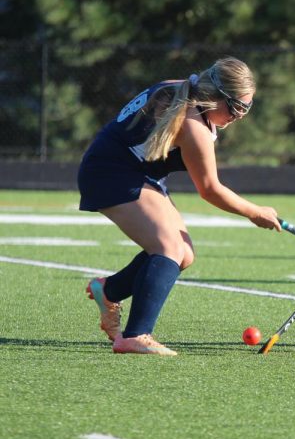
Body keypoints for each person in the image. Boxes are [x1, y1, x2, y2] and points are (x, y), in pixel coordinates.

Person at [79, 57, 281, 355]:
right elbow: (210, 190)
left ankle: (109, 290)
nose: (239, 116)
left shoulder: (186, 91)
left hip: (138, 173)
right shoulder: (193, 124)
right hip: (111, 173)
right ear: (217, 96)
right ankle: (135, 335)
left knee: (183, 254)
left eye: (247, 109)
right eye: (237, 107)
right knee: (168, 249)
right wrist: (255, 212)